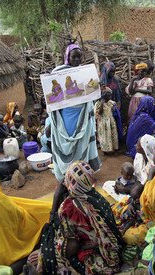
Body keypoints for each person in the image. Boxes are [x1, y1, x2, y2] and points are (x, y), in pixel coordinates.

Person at [29, 161, 124, 275]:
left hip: (92, 250)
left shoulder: (69, 207)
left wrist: (56, 197)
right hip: (111, 250)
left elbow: (67, 241)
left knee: (39, 258)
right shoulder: (96, 197)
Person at [50, 44, 100, 181]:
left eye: (79, 56)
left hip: (83, 113)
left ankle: (81, 172)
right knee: (69, 140)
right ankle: (68, 171)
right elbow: (52, 94)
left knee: (82, 141)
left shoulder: (85, 72)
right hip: (68, 114)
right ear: (67, 57)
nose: (77, 59)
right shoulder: (59, 72)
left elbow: (92, 90)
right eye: (74, 56)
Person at [95, 87, 119, 153]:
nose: (110, 97)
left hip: (111, 121)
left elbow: (115, 111)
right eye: (108, 96)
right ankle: (104, 150)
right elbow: (98, 113)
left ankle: (113, 148)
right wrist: (102, 103)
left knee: (112, 135)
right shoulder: (98, 104)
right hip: (102, 122)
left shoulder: (112, 103)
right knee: (104, 136)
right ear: (104, 96)